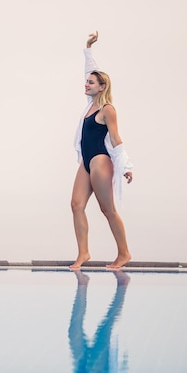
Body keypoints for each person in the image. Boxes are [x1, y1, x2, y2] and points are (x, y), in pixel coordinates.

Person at [70, 31, 134, 270]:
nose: (86, 83)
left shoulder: (107, 109)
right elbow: (91, 69)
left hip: (99, 160)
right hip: (86, 162)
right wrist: (88, 47)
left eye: (91, 82)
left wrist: (126, 166)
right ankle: (83, 253)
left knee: (107, 209)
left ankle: (124, 253)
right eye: (87, 81)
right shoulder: (90, 105)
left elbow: (116, 139)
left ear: (102, 87)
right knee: (76, 205)